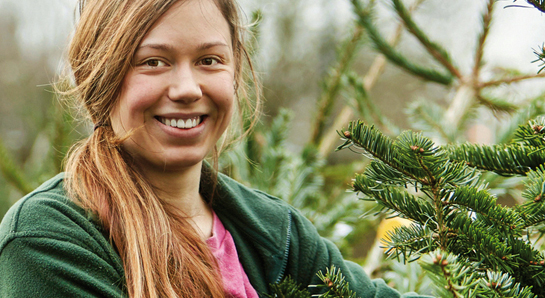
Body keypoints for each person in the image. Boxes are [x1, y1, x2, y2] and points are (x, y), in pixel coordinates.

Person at [0, 0, 431, 297]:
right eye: (154, 61)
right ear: (101, 78)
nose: (188, 89)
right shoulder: (47, 239)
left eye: (209, 60)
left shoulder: (274, 232)